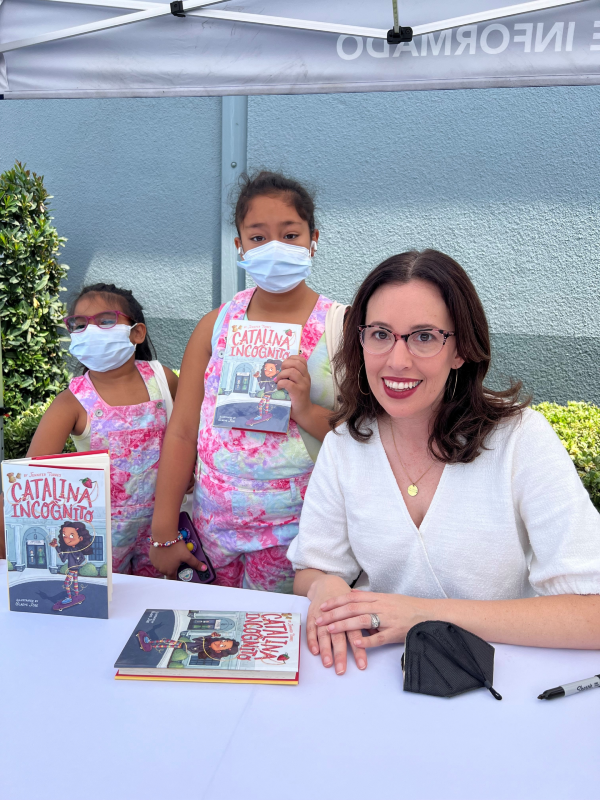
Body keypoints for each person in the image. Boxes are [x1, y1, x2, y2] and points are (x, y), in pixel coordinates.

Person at [288, 249, 600, 675]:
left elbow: (592, 614)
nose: (397, 360)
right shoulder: (346, 443)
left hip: (501, 685)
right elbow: (314, 569)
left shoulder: (520, 440)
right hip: (375, 680)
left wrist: (422, 615)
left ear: (460, 349)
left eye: (424, 336)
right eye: (380, 333)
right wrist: (324, 585)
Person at [150, 171, 347, 592]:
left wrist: (307, 410)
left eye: (291, 235)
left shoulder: (341, 329)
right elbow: (183, 430)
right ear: (239, 246)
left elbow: (365, 436)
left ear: (314, 239)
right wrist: (163, 530)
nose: (275, 247)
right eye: (258, 238)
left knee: (278, 641)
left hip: (296, 536)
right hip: (211, 531)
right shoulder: (215, 326)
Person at [23, 283, 180, 577]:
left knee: (161, 600)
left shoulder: (163, 379)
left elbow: (189, 435)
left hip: (165, 526)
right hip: (99, 536)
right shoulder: (70, 403)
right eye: (79, 324)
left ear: (137, 333)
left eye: (106, 320)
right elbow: (30, 478)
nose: (91, 331)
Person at [49, 520, 94, 611]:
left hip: (73, 570)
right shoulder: (69, 549)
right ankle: (76, 595)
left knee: (67, 583)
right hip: (74, 570)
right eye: (65, 535)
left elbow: (82, 559)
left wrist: (77, 563)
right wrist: (57, 547)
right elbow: (63, 559)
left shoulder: (77, 550)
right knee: (75, 583)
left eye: (71, 535)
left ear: (80, 538)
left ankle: (70, 597)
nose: (67, 538)